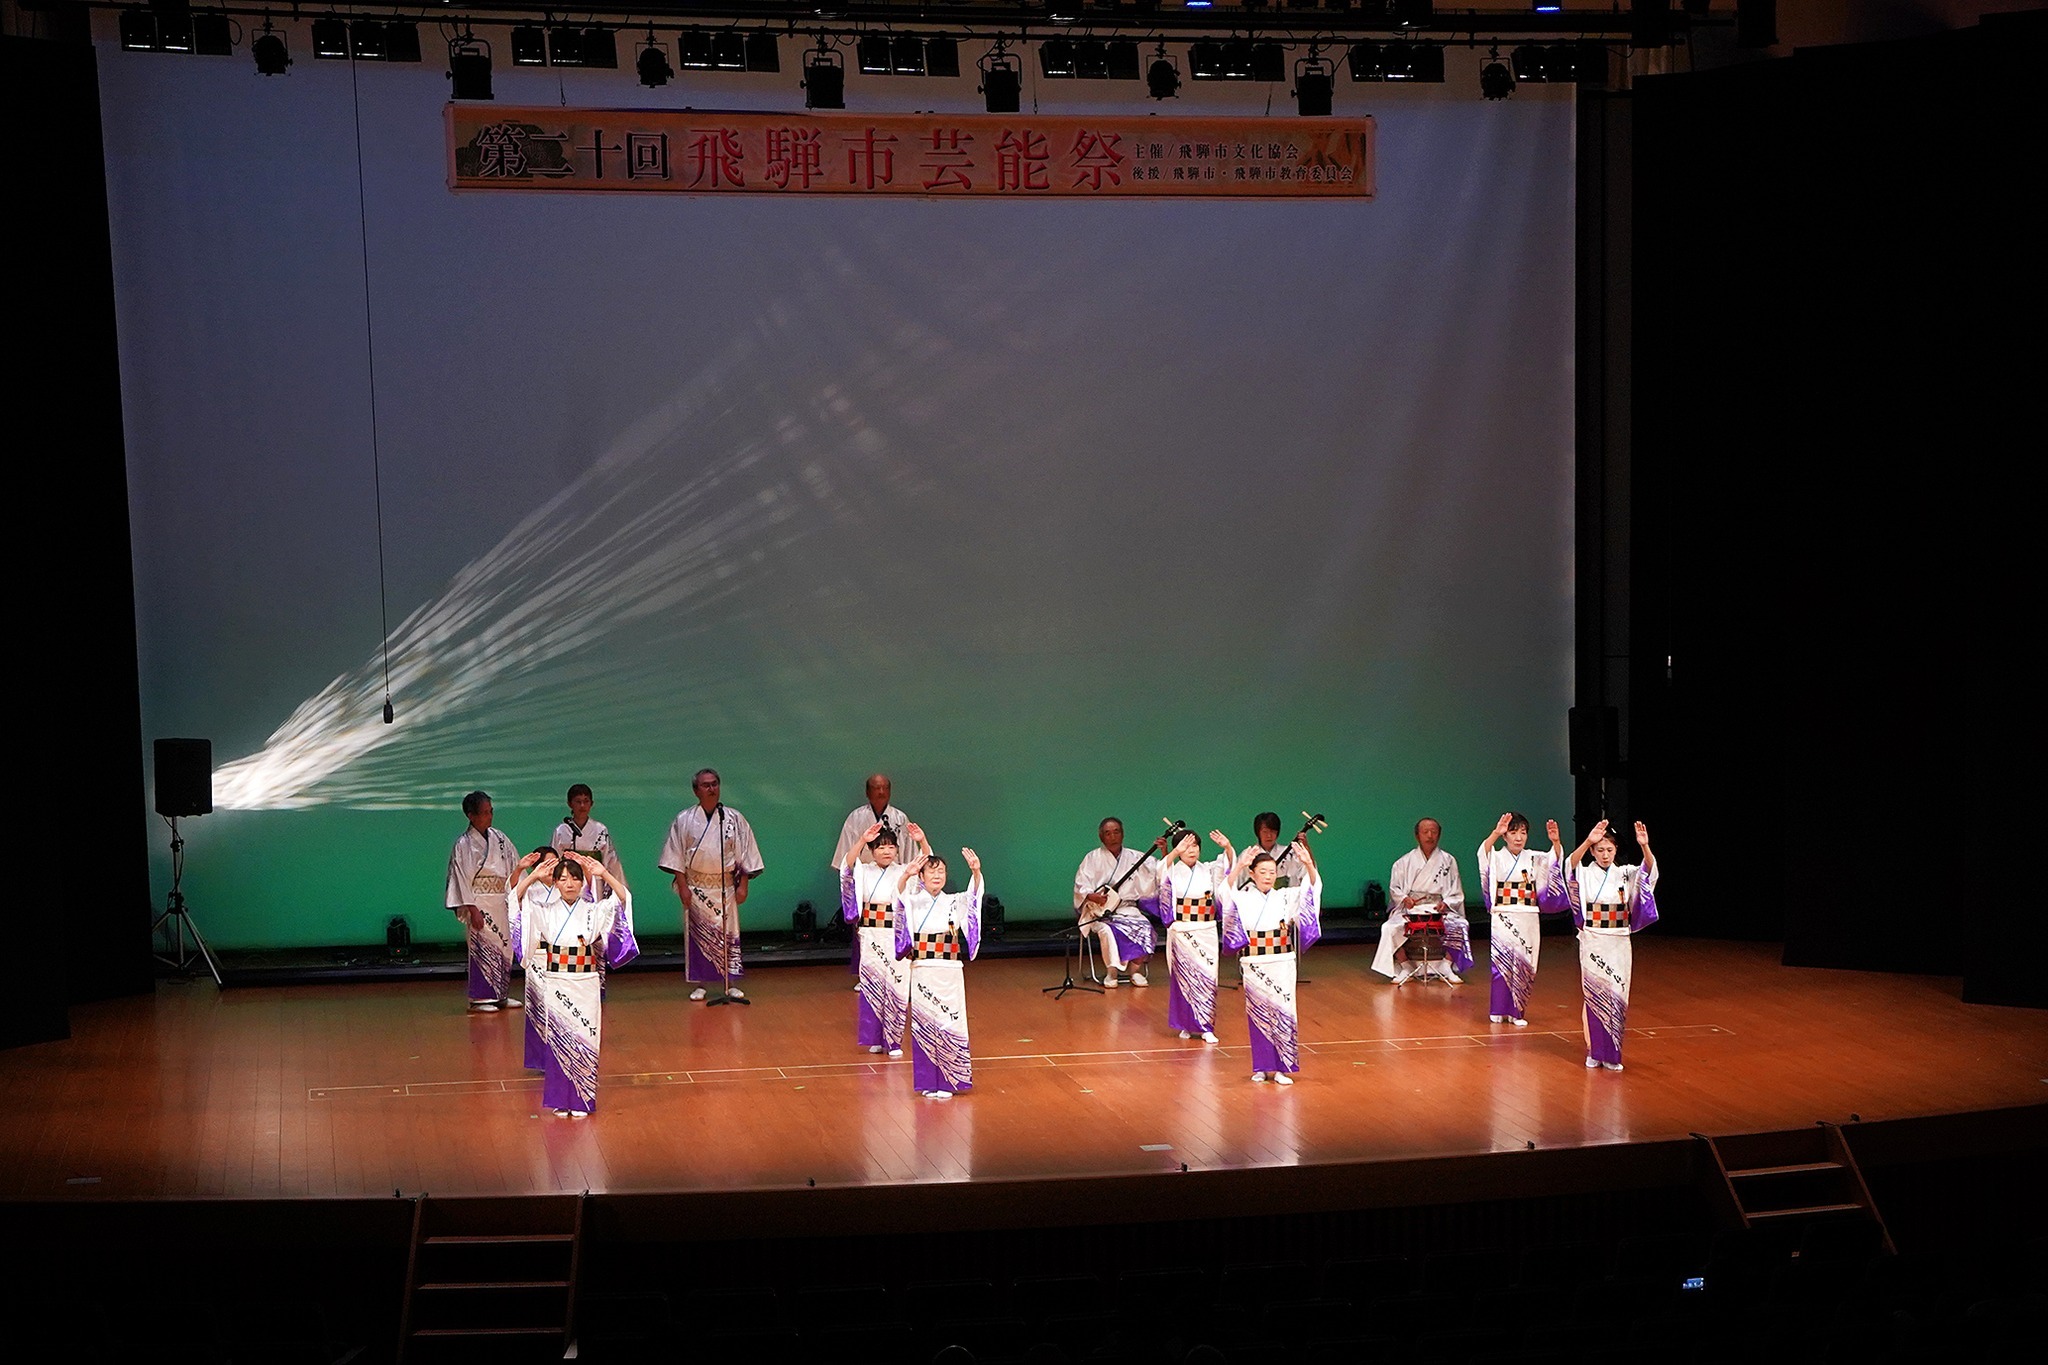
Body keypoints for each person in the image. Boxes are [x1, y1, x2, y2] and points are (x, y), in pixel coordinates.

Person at [512, 851, 635, 1117]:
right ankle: (559, 1098)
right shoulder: (544, 911)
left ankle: (581, 1099)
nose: (569, 884)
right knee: (559, 1039)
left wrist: (603, 874)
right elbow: (517, 900)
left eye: (575, 879)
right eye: (563, 879)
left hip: (586, 981)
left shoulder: (593, 910)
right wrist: (532, 875)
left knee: (586, 1037)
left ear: (582, 883)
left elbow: (623, 900)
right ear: (555, 883)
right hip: (556, 981)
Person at [1550, 819, 1660, 1072]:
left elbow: (1648, 872)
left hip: (1619, 939)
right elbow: (1568, 866)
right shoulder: (1586, 873)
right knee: (1594, 994)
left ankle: (1612, 1054)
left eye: (1609, 850)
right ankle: (1594, 1050)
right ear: (1593, 852)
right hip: (1594, 939)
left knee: (1618, 995)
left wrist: (1645, 847)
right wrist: (1588, 840)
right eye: (1600, 850)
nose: (1605, 855)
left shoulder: (1624, 873)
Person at [1218, 840, 1323, 1084]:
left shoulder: (1285, 897)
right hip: (1255, 961)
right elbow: (1224, 894)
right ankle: (1262, 1066)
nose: (1268, 877)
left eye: (1272, 872)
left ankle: (1281, 1067)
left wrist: (1308, 864)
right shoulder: (1243, 898)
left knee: (1284, 1011)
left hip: (1282, 960)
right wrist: (1239, 865)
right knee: (1258, 1013)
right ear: (1252, 874)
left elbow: (1312, 889)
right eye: (1262, 872)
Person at [657, 769, 764, 1002]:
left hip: (725, 887)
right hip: (696, 887)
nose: (711, 789)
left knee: (729, 934)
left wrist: (743, 885)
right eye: (705, 785)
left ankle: (730, 982)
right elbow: (675, 856)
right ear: (696, 790)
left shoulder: (734, 819)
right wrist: (683, 887)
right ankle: (701, 983)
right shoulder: (684, 819)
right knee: (699, 936)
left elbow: (745, 854)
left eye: (715, 784)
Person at [892, 845, 985, 1099]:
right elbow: (897, 900)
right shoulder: (913, 902)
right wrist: (904, 875)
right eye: (931, 871)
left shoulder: (954, 901)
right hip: (922, 968)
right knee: (924, 1023)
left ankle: (948, 1081)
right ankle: (928, 1081)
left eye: (941, 871)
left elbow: (974, 897)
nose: (937, 876)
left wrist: (976, 872)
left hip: (950, 969)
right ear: (921, 877)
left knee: (950, 1020)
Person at [1140, 829, 1236, 1043]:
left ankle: (1205, 1026)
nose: (1191, 850)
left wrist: (1227, 847)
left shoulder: (1209, 870)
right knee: (1183, 978)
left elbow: (1229, 871)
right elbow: (1159, 870)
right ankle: (1185, 1023)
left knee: (1207, 978)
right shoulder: (1172, 871)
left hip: (1206, 929)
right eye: (1186, 846)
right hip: (1182, 930)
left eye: (1195, 846)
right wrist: (1174, 852)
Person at [829, 775, 923, 982]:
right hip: (865, 878)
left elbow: (909, 852)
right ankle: (866, 978)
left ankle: (898, 976)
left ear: (890, 791)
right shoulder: (856, 818)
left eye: (884, 788)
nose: (880, 792)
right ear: (867, 792)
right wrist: (851, 885)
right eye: (875, 788)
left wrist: (907, 874)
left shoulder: (899, 818)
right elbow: (846, 859)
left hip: (896, 877)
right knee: (864, 933)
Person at [840, 820, 921, 1057]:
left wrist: (921, 841)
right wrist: (862, 840)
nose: (886, 851)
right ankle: (875, 1038)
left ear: (897, 850)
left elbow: (926, 860)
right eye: (880, 847)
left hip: (895, 935)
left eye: (890, 847)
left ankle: (894, 1041)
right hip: (871, 933)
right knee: (873, 985)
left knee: (896, 985)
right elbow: (847, 864)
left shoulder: (904, 871)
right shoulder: (864, 871)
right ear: (872, 851)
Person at [1477, 812, 1565, 1027]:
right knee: (1503, 962)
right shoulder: (1497, 856)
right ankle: (1498, 1009)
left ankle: (1517, 1011)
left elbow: (1554, 861)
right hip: (1504, 914)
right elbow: (1484, 853)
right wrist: (1495, 833)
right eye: (1513, 832)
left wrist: (1555, 842)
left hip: (1528, 914)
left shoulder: (1534, 857)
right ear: (1505, 836)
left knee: (1525, 964)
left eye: (1523, 833)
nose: (1518, 838)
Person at [445, 790, 524, 1013]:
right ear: (471, 815)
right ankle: (480, 998)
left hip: (501, 901)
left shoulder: (500, 839)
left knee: (504, 947)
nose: (490, 816)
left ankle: (500, 995)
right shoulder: (464, 844)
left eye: (491, 811)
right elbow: (460, 878)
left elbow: (514, 866)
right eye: (485, 812)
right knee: (483, 949)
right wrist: (472, 909)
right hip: (479, 902)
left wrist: (519, 896)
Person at [552, 783, 632, 995]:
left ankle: (598, 986)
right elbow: (556, 863)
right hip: (569, 886)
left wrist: (614, 888)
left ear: (592, 803)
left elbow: (611, 862)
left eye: (586, 801)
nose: (582, 805)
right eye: (577, 801)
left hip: (595, 887)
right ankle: (571, 986)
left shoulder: (600, 830)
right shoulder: (562, 831)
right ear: (570, 804)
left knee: (595, 935)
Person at [1374, 817, 1470, 984]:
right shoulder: (1403, 862)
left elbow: (1456, 890)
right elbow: (1395, 888)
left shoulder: (1448, 861)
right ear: (1417, 835)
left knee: (1461, 925)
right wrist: (1405, 898)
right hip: (1413, 908)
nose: (1430, 835)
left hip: (1439, 908)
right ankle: (1406, 966)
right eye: (1425, 832)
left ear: (1439, 834)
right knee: (1389, 927)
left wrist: (1446, 903)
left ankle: (1446, 965)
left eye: (1434, 831)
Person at [1073, 817, 1165, 987]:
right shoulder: (1092, 858)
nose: (1113, 836)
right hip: (1100, 911)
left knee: (1144, 926)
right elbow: (1081, 884)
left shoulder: (1135, 856)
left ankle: (1135, 971)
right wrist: (1092, 896)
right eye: (1108, 833)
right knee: (1108, 931)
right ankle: (1111, 972)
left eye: (1116, 832)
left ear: (1122, 834)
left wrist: (1165, 853)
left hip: (1127, 908)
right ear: (1101, 837)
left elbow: (1160, 873)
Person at [1246, 812, 1310, 889]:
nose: (1269, 835)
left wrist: (1306, 847)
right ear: (1258, 832)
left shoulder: (1290, 853)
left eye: (1273, 831)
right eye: (1265, 831)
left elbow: (1307, 872)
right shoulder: (1248, 855)